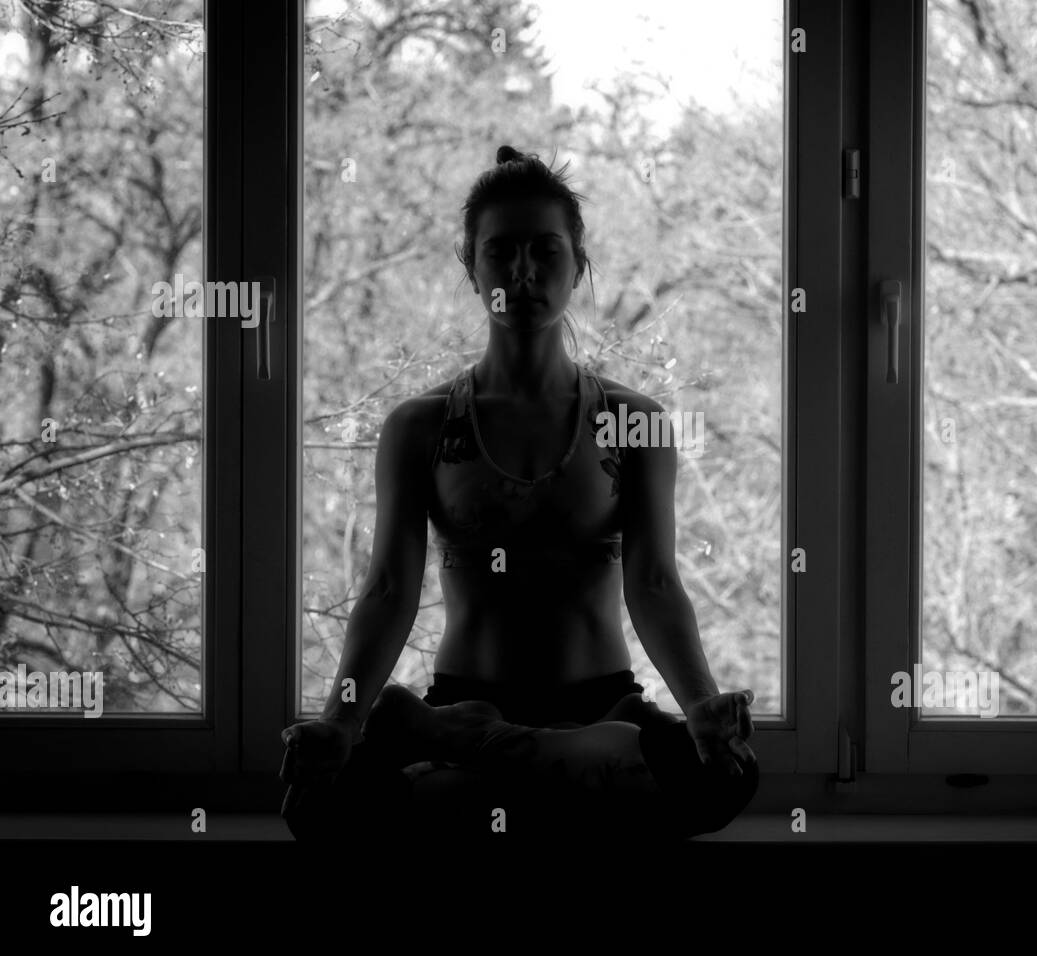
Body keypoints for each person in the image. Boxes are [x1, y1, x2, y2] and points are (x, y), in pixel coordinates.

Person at [280, 145, 759, 842]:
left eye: (546, 250)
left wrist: (703, 709)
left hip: (602, 705)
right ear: (470, 267)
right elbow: (388, 590)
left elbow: (653, 583)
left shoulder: (636, 422)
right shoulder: (421, 426)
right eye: (501, 251)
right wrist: (341, 722)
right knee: (320, 807)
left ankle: (474, 748)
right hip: (469, 693)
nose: (524, 272)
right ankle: (532, 757)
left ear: (579, 264)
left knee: (727, 780)